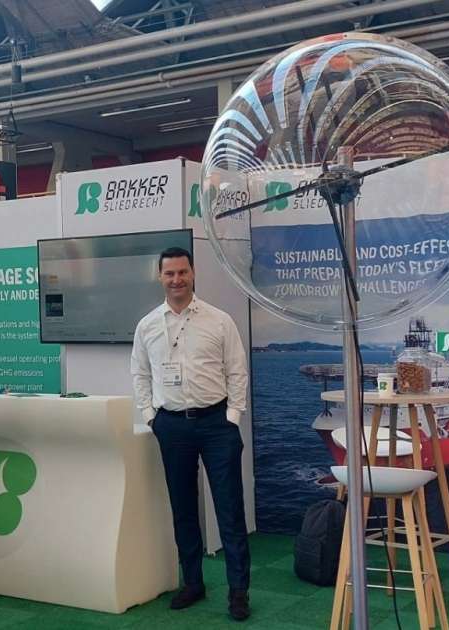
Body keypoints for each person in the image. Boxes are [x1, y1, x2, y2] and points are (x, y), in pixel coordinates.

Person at [131, 247, 251, 621]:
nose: (177, 280)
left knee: (229, 510)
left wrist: (232, 417)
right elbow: (140, 373)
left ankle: (238, 592)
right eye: (169, 274)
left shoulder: (219, 321)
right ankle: (193, 583)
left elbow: (237, 371)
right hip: (172, 426)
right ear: (160, 277)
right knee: (183, 509)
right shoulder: (148, 325)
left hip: (217, 425)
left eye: (182, 272)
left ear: (193, 273)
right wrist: (150, 416)